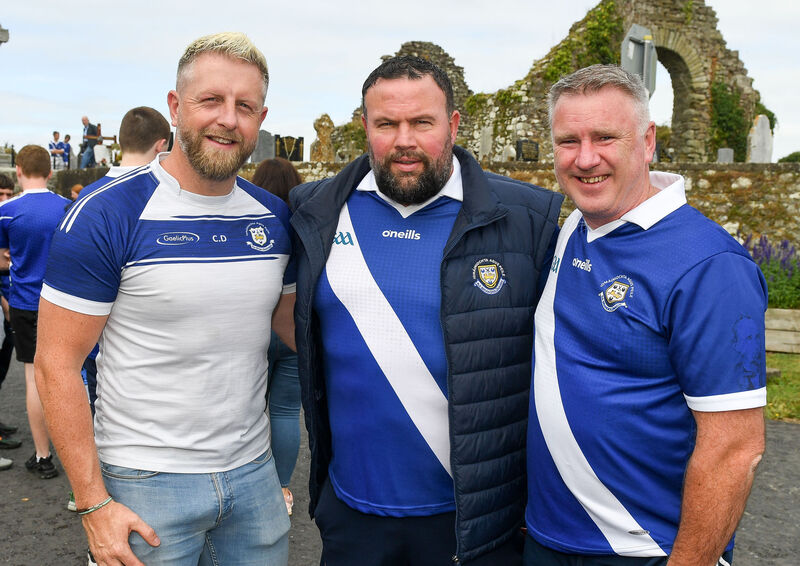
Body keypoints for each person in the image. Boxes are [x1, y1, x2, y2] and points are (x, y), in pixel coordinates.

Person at [290, 55, 563, 565]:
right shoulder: (314, 211)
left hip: (474, 527)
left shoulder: (529, 220)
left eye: (422, 122)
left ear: (454, 125)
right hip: (352, 518)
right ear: (364, 126)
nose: (404, 141)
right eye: (386, 124)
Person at [35, 32, 293, 566]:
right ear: (176, 107)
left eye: (244, 106)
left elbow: (298, 330)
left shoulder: (274, 216)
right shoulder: (107, 214)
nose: (228, 119)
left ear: (260, 118)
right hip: (144, 482)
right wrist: (92, 503)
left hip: (253, 476)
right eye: (211, 100)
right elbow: (56, 362)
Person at [524, 64, 767, 566]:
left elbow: (735, 450)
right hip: (545, 540)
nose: (585, 158)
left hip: (643, 551)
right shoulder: (573, 227)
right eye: (568, 141)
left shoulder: (709, 265)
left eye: (606, 137)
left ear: (648, 139)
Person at [0, 145, 71, 476]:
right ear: (50, 172)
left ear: (18, 171)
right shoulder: (68, 207)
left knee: (34, 377)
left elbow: (4, 257)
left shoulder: (7, 210)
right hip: (63, 300)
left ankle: (43, 456)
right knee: (68, 375)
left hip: (25, 302)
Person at [252, 157, 302, 516]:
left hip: (255, 325)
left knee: (248, 409)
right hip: (296, 326)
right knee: (286, 412)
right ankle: (281, 488)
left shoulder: (251, 219)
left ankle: (244, 485)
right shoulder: (306, 223)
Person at [0, 172, 18, 462]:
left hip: (12, 302)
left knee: (1, 370)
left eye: (7, 195)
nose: (3, 200)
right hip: (6, 301)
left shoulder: (11, 219)